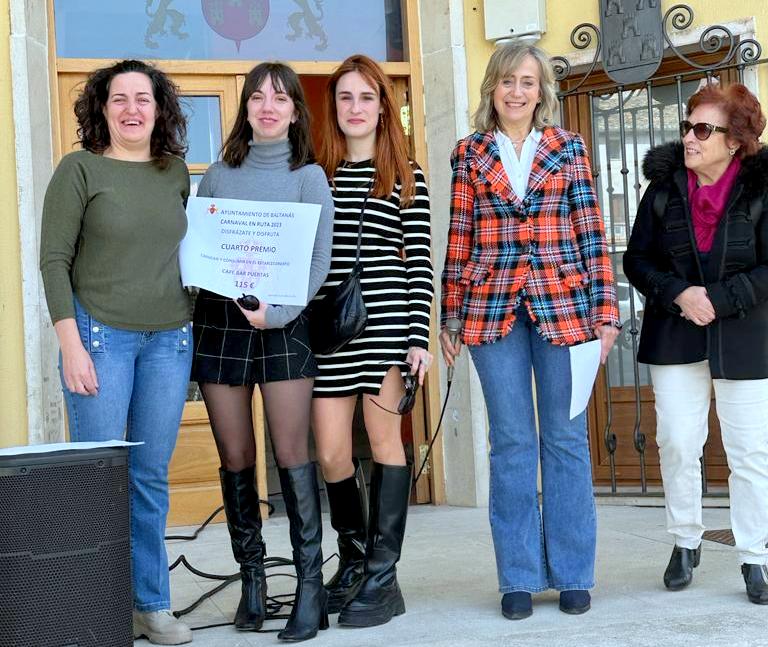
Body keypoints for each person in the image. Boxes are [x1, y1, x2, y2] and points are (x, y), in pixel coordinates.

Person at [440, 43, 620, 620]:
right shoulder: (468, 154)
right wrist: (450, 314)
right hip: (491, 310)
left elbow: (591, 231)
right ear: (492, 87)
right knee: (512, 442)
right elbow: (459, 236)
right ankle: (516, 575)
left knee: (565, 441)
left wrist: (606, 311)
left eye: (528, 82)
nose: (517, 92)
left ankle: (572, 572)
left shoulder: (568, 148)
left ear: (542, 91)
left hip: (565, 308)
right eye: (507, 81)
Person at [39, 59, 193, 645]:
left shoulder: (174, 172)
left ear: (160, 109)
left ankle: (151, 606)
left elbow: (186, 256)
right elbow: (54, 259)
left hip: (170, 341)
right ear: (102, 109)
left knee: (150, 477)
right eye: (120, 99)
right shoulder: (78, 170)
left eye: (144, 99)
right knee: (99, 479)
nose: (133, 109)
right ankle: (98, 609)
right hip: (98, 337)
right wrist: (69, 343)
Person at [190, 62, 334, 641]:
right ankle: (252, 582)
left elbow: (319, 264)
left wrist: (275, 313)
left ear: (295, 111)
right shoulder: (219, 175)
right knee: (234, 454)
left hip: (284, 319)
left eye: (279, 98)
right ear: (246, 108)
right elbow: (201, 251)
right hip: (223, 321)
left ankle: (308, 591)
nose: (268, 107)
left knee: (292, 454)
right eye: (258, 98)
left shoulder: (309, 177)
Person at [624, 82, 768, 604]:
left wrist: (721, 298)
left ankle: (755, 555)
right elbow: (636, 260)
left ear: (735, 140)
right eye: (687, 126)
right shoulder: (663, 190)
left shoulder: (761, 190)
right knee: (678, 443)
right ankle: (686, 541)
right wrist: (680, 293)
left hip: (747, 335)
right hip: (675, 330)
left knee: (750, 452)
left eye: (702, 129)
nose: (689, 137)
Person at [311, 54, 433, 628]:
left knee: (385, 443)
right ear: (333, 108)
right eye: (345, 98)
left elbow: (419, 266)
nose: (355, 107)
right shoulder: (315, 175)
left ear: (383, 106)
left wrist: (419, 340)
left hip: (386, 327)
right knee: (332, 451)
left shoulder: (408, 174)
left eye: (366, 97)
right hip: (328, 329)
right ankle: (355, 560)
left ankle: (384, 577)